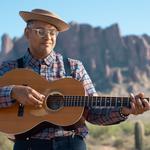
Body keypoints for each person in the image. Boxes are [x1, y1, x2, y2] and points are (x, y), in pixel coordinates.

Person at [0, 8, 149, 150]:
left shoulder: (74, 67)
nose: (48, 37)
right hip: (27, 146)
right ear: (27, 33)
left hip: (71, 144)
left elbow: (94, 112)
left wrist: (123, 110)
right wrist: (13, 92)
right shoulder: (9, 68)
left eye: (53, 32)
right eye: (41, 31)